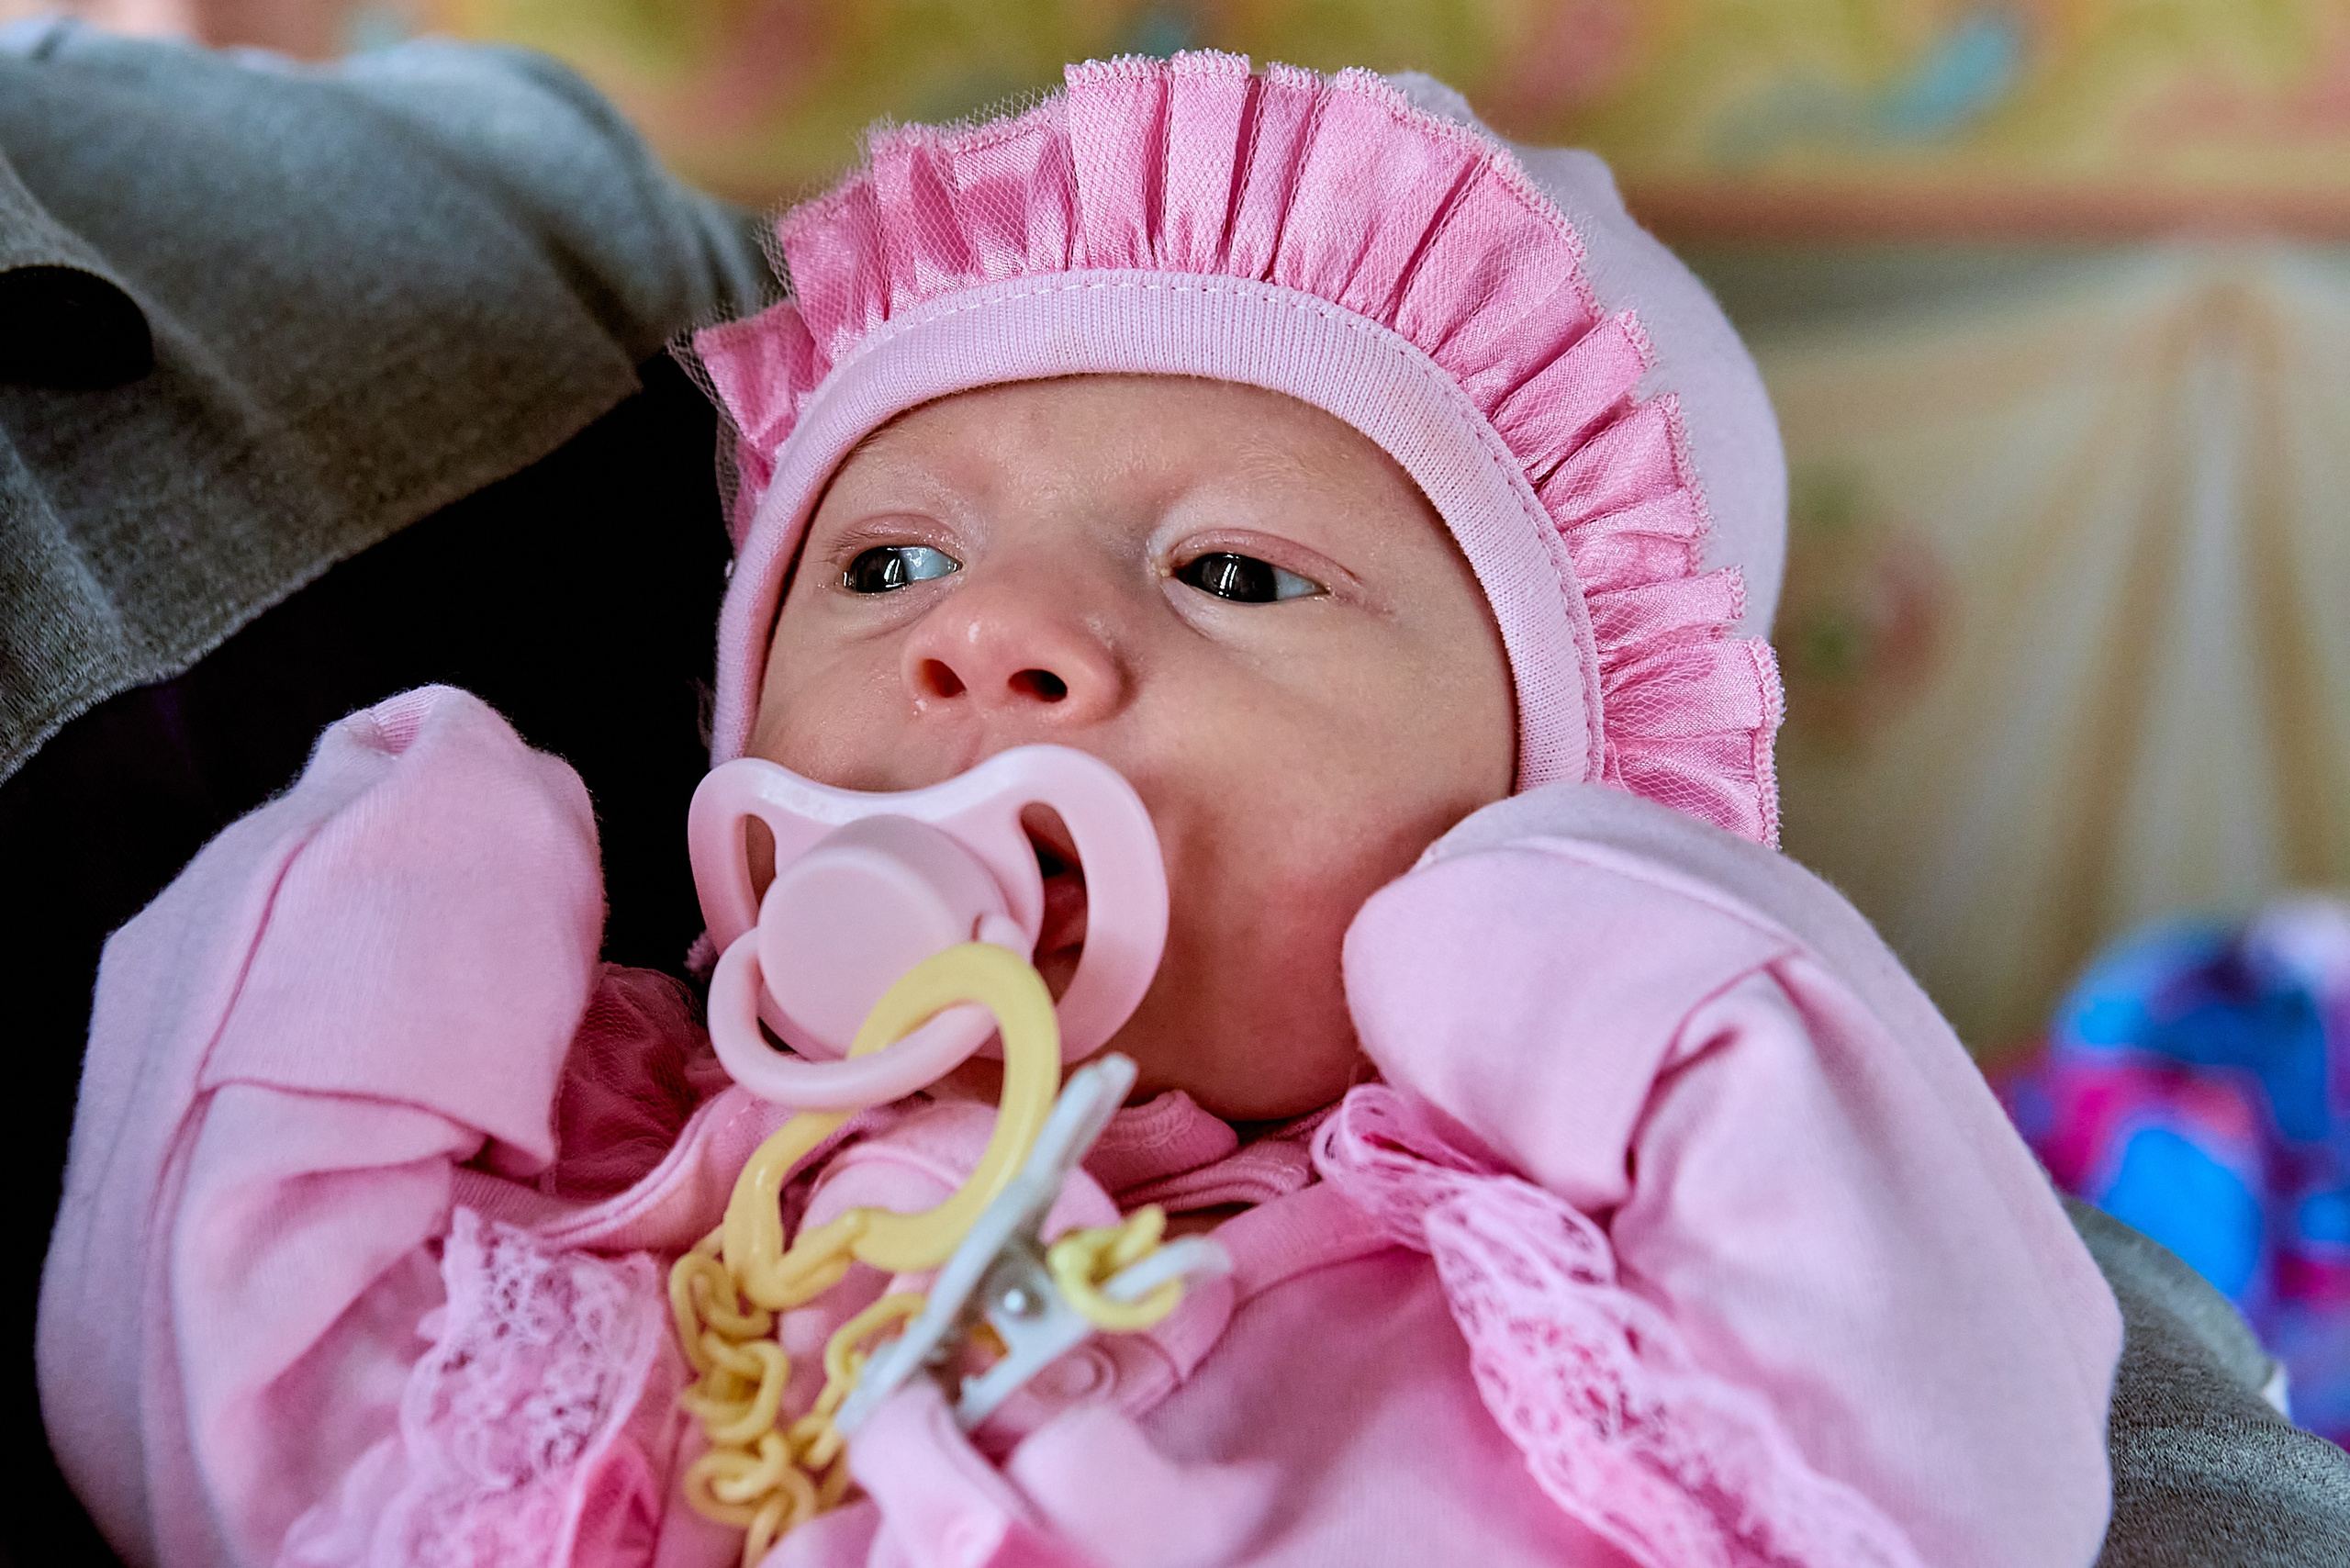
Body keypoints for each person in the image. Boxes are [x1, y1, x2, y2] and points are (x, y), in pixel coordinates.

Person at [15, 48, 2283, 1568]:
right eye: (882, 560)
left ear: (1564, 770)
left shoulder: (1568, 1296)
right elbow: (254, 1433)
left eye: (1226, 570)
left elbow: (1931, 1438)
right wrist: (372, 912)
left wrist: (1599, 941)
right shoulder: (609, 1183)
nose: (990, 639)